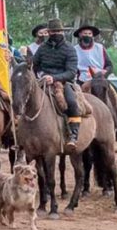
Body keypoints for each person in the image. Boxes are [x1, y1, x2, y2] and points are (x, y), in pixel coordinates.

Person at [32, 19, 81, 151]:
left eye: (58, 31)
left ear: (62, 32)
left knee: (71, 102)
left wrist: (54, 78)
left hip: (64, 82)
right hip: (42, 81)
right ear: (48, 32)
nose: (56, 33)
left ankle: (73, 134)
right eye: (53, 31)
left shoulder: (69, 49)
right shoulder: (42, 48)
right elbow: (33, 65)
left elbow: (71, 72)